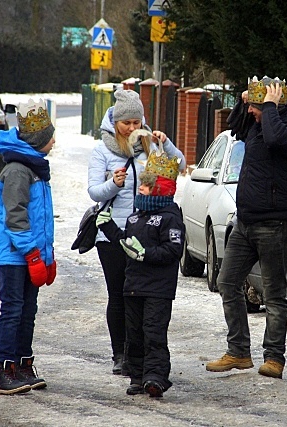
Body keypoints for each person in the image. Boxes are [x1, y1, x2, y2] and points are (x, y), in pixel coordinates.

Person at [205, 76, 287, 379]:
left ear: (273, 106)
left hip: (277, 223)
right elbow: (236, 128)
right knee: (227, 282)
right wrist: (244, 104)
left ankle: (274, 358)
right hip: (246, 221)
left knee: (273, 293)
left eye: (259, 108)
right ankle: (239, 352)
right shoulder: (259, 123)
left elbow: (275, 138)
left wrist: (266, 107)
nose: (254, 114)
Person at [88, 88, 185, 376]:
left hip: (147, 233)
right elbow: (94, 192)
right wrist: (113, 184)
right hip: (113, 234)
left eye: (136, 122)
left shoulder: (150, 144)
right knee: (119, 295)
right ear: (115, 121)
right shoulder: (102, 149)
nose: (132, 128)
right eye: (126, 122)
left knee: (141, 297)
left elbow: (176, 167)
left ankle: (140, 356)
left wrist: (165, 146)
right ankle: (121, 354)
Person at [95, 149, 184, 398]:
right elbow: (127, 244)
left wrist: (146, 253)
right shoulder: (136, 216)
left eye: (146, 186)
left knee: (154, 333)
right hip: (133, 286)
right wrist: (108, 226)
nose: (140, 189)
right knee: (133, 335)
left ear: (160, 189)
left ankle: (155, 377)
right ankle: (137, 376)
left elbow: (173, 250)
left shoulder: (170, 217)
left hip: (158, 289)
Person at [0, 98, 57, 395]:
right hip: (15, 255)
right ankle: (4, 369)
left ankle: (22, 364)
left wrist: (47, 255)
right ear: (38, 140)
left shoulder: (37, 168)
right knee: (13, 310)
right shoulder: (19, 170)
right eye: (49, 136)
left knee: (28, 310)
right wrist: (32, 254)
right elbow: (15, 216)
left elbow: (42, 219)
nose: (54, 141)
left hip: (32, 255)